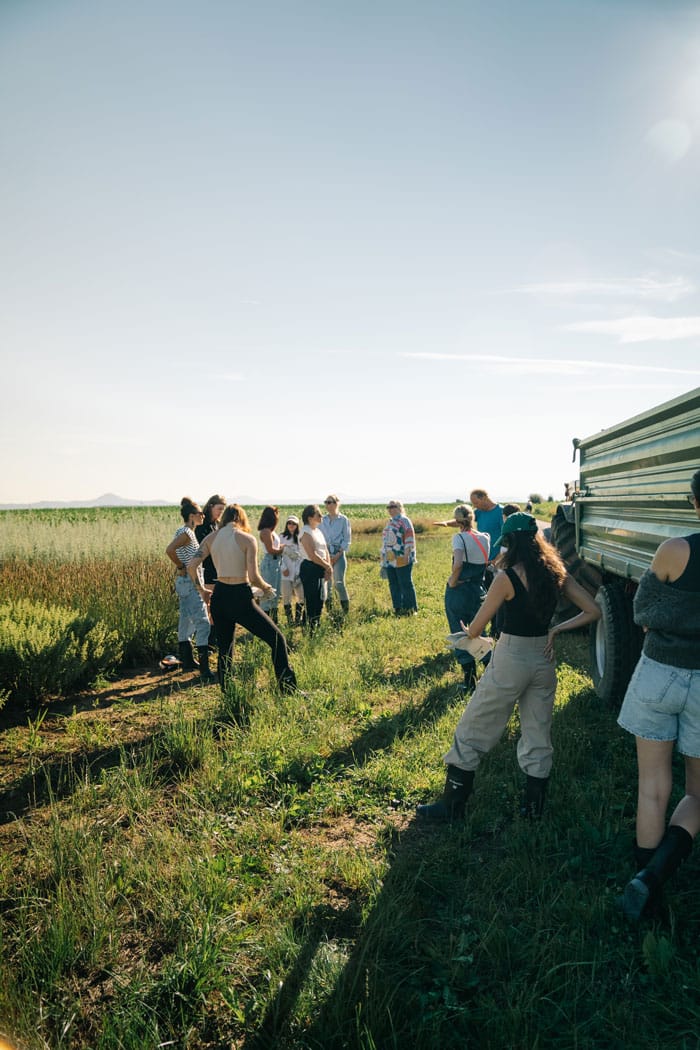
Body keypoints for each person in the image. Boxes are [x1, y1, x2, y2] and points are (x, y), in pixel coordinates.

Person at [417, 512, 601, 822]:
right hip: (544, 660)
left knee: (474, 727)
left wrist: (468, 630)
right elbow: (593, 610)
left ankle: (452, 807)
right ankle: (533, 810)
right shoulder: (557, 573)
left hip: (511, 657)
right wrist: (555, 630)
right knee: (537, 733)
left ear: (511, 542)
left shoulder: (506, 578)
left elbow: (475, 630)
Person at [616, 469, 700, 921]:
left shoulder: (676, 549)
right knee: (699, 794)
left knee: (652, 785)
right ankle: (654, 878)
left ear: (694, 503)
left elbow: (643, 608)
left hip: (659, 673)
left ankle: (641, 881)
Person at [187, 503, 297, 693]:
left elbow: (191, 566)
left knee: (225, 649)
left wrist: (202, 590)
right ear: (240, 519)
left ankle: (228, 693)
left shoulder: (211, 538)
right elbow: (253, 577)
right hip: (240, 595)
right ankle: (288, 689)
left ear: (226, 519)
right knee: (277, 639)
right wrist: (266, 587)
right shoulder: (247, 539)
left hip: (219, 596)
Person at [164, 496, 216, 682]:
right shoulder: (187, 532)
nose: (203, 515)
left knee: (186, 620)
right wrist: (180, 566)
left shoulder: (186, 532)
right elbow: (170, 550)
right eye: (200, 513)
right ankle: (204, 669)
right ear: (192, 516)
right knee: (202, 623)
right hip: (190, 582)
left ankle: (187, 661)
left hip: (185, 582)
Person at [444, 505, 490, 692]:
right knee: (479, 630)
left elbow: (458, 564)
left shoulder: (459, 538)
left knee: (460, 632)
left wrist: (452, 582)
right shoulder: (485, 537)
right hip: (479, 589)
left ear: (457, 520)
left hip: (460, 591)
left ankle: (470, 680)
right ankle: (491, 673)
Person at [299, 505, 333, 633]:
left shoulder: (318, 531)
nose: (321, 516)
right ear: (310, 517)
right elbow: (312, 555)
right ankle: (309, 630)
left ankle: (315, 627)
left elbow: (325, 551)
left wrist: (328, 568)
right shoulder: (306, 532)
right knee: (312, 601)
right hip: (310, 568)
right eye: (318, 514)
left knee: (321, 599)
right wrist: (327, 566)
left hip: (321, 567)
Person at [380, 500, 418, 615]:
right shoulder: (390, 522)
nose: (390, 509)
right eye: (389, 507)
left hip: (402, 557)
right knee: (393, 583)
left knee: (405, 583)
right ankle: (398, 607)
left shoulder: (404, 520)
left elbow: (409, 538)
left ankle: (411, 609)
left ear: (400, 508)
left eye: (393, 506)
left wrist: (407, 555)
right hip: (390, 559)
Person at [320, 494, 352, 614]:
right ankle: (330, 612)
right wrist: (326, 556)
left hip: (339, 553)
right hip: (325, 554)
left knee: (339, 583)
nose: (327, 505)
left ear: (336, 503)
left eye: (330, 502)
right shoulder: (322, 520)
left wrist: (337, 555)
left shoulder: (343, 520)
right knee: (326, 585)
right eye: (326, 502)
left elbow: (347, 540)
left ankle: (345, 612)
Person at [195, 494, 226, 589]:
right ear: (211, 507)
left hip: (218, 567)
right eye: (219, 509)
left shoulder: (217, 524)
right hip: (206, 568)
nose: (221, 512)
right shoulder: (201, 525)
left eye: (223, 509)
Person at [279, 514, 305, 626]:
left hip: (299, 571)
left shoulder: (301, 537)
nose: (291, 525)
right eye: (289, 523)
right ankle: (290, 621)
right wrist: (283, 568)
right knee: (286, 597)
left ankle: (298, 619)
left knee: (301, 596)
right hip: (286, 572)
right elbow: (278, 555)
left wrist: (300, 571)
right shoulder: (281, 537)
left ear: (297, 525)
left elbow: (304, 555)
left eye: (294, 523)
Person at [258, 505, 282, 621]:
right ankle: (266, 621)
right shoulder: (266, 532)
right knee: (268, 594)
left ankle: (273, 621)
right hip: (270, 562)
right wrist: (284, 550)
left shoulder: (271, 531)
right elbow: (271, 550)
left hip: (275, 562)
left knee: (274, 594)